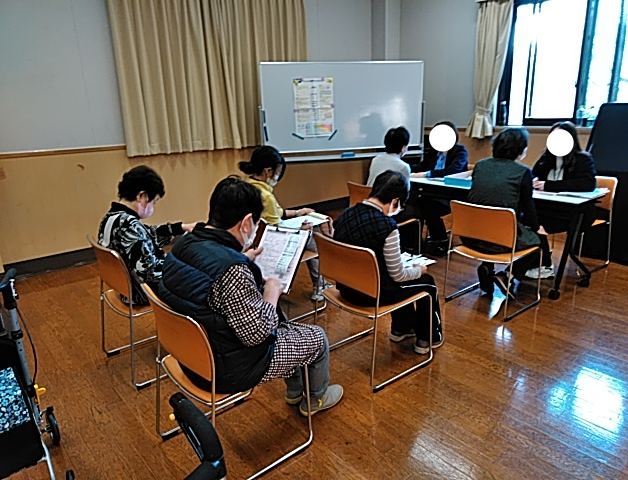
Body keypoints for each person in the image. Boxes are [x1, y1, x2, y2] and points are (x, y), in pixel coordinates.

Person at [158, 177, 343, 417]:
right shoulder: (232, 270)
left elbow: (206, 282)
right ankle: (316, 398)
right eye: (256, 223)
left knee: (282, 322)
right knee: (316, 337)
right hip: (226, 370)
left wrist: (243, 260)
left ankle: (296, 390)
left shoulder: (184, 244)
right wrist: (272, 292)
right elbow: (257, 334)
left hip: (189, 358)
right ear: (246, 223)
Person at [333, 170, 443, 354]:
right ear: (395, 201)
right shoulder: (387, 227)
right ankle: (428, 338)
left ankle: (402, 327)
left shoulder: (345, 214)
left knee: (396, 276)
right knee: (427, 283)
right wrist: (419, 270)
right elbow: (398, 276)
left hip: (346, 288)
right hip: (372, 295)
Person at [238, 146, 331, 301]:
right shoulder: (266, 196)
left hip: (250, 241)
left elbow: (276, 213)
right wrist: (302, 229)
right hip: (269, 244)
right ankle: (319, 286)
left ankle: (320, 284)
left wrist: (297, 213)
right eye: (278, 172)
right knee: (315, 237)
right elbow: (277, 230)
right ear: (268, 171)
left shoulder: (248, 186)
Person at [98, 165, 195, 306]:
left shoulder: (111, 218)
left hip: (124, 288)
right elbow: (149, 273)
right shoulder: (129, 225)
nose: (153, 207)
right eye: (154, 202)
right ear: (141, 196)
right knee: (199, 279)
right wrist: (179, 265)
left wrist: (179, 228)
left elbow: (147, 235)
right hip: (141, 292)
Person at [464, 127, 544, 299]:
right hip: (502, 240)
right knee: (539, 242)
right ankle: (508, 275)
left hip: (470, 235)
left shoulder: (480, 166)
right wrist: (537, 227)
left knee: (489, 220)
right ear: (520, 150)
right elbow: (528, 208)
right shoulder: (523, 172)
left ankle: (487, 266)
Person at [527, 121, 597, 279]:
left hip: (573, 212)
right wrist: (534, 181)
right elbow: (534, 174)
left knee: (534, 223)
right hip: (546, 208)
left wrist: (549, 186)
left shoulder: (583, 159)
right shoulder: (546, 157)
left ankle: (542, 266)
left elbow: (587, 184)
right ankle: (541, 263)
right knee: (528, 220)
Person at [411, 121, 469, 256]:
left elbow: (454, 170)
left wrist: (427, 174)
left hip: (451, 194)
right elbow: (422, 166)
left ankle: (440, 240)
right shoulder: (433, 151)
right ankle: (415, 242)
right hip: (432, 192)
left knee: (428, 208)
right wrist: (406, 168)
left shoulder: (460, 151)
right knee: (415, 205)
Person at [366, 126, 421, 251]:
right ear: (403, 147)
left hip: (370, 201)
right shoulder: (403, 166)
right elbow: (405, 195)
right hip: (386, 207)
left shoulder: (376, 159)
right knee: (416, 211)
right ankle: (410, 248)